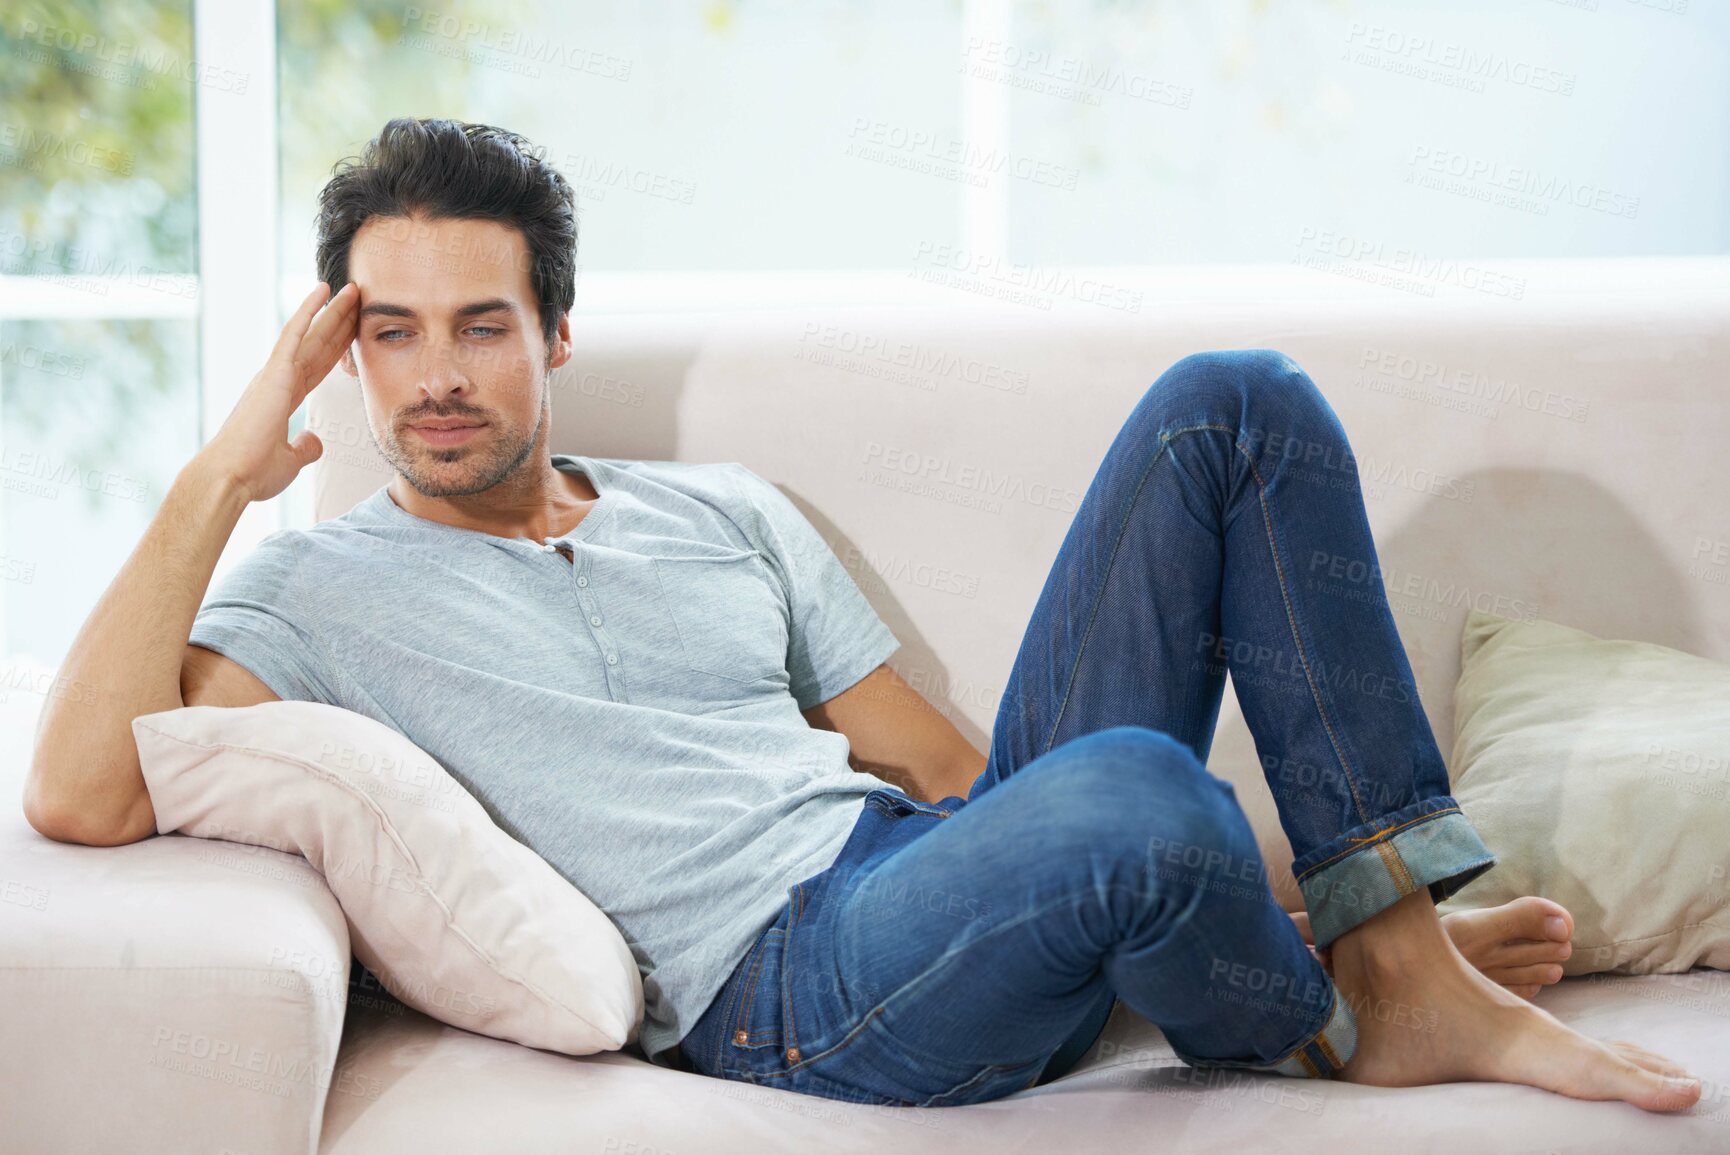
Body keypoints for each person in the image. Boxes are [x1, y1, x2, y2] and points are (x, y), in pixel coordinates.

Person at [23, 118, 1701, 1114]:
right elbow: (82, 792)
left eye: (480, 324)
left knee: (1233, 400)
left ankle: (1383, 947)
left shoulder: (722, 511)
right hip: (787, 996)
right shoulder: (313, 595)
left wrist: (1236, 875)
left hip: (907, 878)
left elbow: (965, 778)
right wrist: (226, 471)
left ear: (554, 337)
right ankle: (1353, 1003)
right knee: (1142, 796)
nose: (437, 377)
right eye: (389, 333)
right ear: (346, 350)